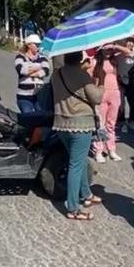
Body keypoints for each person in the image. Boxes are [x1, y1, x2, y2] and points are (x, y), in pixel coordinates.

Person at [52, 51, 104, 220]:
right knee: (76, 165)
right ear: (80, 59)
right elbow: (96, 98)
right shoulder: (83, 76)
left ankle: (86, 194)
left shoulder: (56, 74)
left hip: (61, 123)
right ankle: (73, 207)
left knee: (78, 162)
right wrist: (101, 82)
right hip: (80, 124)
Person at [92, 45, 124, 162]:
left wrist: (115, 46)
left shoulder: (115, 60)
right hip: (101, 93)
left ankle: (111, 149)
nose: (109, 51)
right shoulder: (94, 61)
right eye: (106, 48)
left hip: (114, 93)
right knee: (100, 124)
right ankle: (98, 150)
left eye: (111, 49)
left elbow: (129, 53)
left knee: (111, 123)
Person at [14, 34, 50, 114]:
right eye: (36, 44)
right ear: (29, 45)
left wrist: (31, 70)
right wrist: (38, 67)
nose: (38, 46)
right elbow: (21, 70)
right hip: (24, 96)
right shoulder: (20, 57)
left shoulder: (42, 58)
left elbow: (46, 70)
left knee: (41, 115)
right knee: (28, 115)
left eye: (38, 45)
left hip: (39, 95)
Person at [115, 38, 134, 133]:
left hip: (131, 82)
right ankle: (121, 122)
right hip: (119, 82)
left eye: (133, 42)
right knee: (121, 104)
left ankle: (131, 120)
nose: (130, 44)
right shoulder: (117, 56)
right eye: (129, 41)